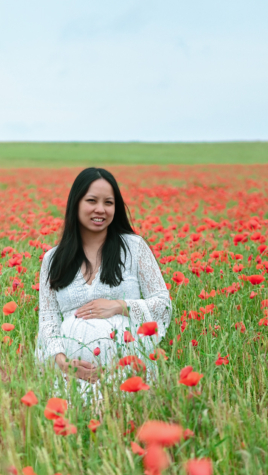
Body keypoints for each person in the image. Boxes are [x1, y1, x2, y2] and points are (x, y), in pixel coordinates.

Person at [35, 167, 172, 401]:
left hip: (127, 370)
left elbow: (163, 304)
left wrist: (119, 306)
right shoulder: (53, 259)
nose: (101, 209)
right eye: (91, 201)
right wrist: (62, 361)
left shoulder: (133, 248)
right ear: (75, 204)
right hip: (71, 374)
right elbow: (48, 320)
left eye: (109, 202)